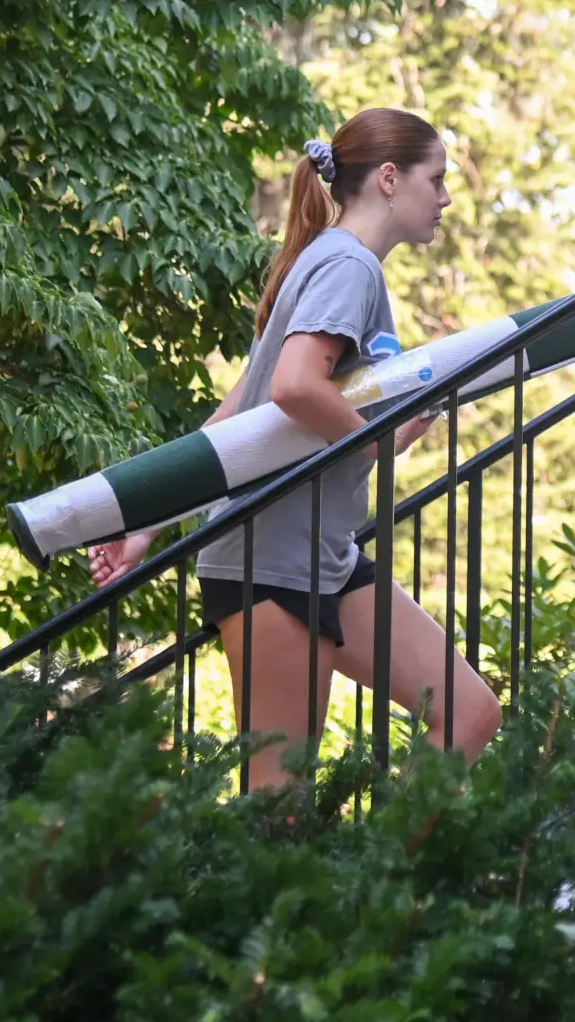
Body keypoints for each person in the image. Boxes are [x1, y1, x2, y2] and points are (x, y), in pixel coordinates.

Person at [90, 108, 503, 790]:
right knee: (279, 803)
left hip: (323, 555)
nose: (447, 198)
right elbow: (291, 386)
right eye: (439, 179)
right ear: (391, 179)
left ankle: (381, 887)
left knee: (466, 714)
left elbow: (239, 413)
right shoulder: (347, 264)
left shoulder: (332, 260)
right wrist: (373, 445)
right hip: (266, 557)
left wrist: (147, 526)